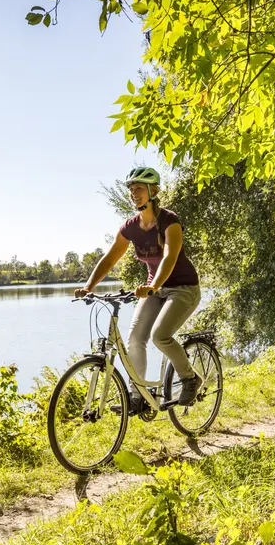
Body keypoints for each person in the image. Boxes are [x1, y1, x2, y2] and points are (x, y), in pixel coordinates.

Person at [76, 166, 202, 412]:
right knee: (135, 338)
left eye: (139, 189)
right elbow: (110, 258)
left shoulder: (169, 221)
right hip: (155, 289)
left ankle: (190, 378)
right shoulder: (131, 226)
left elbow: (170, 257)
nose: (134, 193)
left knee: (160, 336)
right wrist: (88, 286)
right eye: (132, 189)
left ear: (153, 191)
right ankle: (138, 395)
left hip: (182, 288)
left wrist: (153, 285)